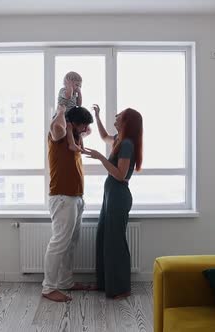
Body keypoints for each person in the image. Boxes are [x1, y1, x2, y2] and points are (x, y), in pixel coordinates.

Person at [83, 104, 143, 299]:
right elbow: (104, 137)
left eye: (120, 115)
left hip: (118, 195)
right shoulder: (120, 140)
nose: (116, 116)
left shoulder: (127, 145)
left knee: (115, 242)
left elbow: (120, 174)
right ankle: (105, 284)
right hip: (111, 194)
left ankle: (121, 288)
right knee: (104, 237)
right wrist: (97, 116)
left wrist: (100, 157)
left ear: (126, 122)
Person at [42, 104, 93, 302]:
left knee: (70, 243)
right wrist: (62, 111)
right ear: (72, 124)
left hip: (75, 197)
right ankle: (48, 288)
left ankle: (65, 282)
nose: (84, 130)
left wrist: (78, 102)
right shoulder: (58, 136)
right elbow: (56, 128)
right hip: (62, 197)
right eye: (81, 126)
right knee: (59, 243)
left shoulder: (75, 136)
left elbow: (88, 129)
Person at [57, 71, 84, 152]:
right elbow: (68, 96)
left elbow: (79, 105)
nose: (78, 87)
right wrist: (70, 87)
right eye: (76, 85)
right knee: (69, 126)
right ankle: (72, 144)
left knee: (79, 128)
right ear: (67, 83)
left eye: (79, 86)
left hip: (71, 116)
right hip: (63, 115)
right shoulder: (63, 90)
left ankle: (81, 146)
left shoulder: (75, 94)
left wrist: (79, 93)